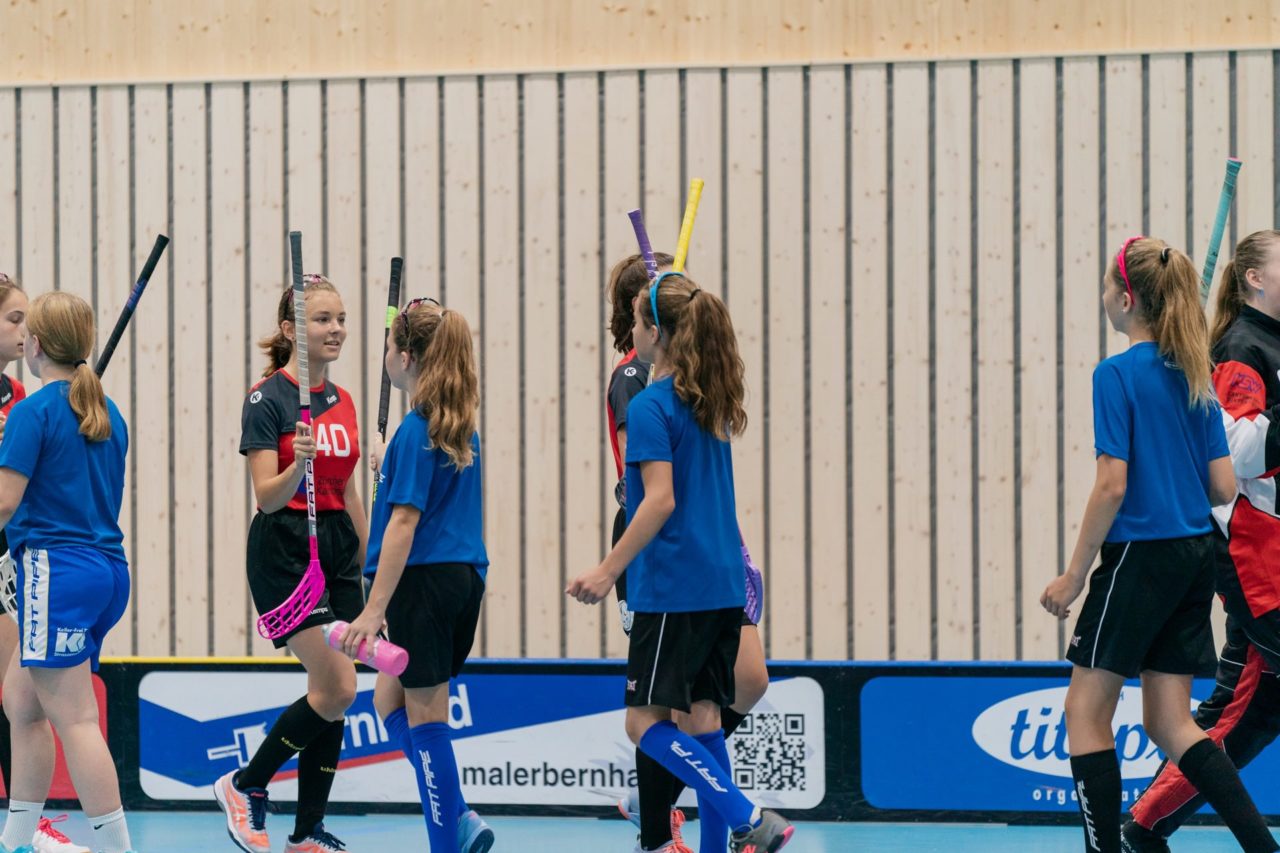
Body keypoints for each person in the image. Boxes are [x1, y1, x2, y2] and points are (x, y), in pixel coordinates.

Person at [1040, 237, 1277, 853]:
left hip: (1138, 557)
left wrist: (1071, 576)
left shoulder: (1115, 374)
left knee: (1085, 713)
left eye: (1103, 290)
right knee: (1170, 723)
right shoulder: (1195, 374)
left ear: (1125, 299)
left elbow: (1112, 484)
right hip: (1196, 557)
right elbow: (1223, 484)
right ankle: (1261, 846)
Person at [568, 271, 793, 853]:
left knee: (643, 724)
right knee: (704, 722)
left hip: (674, 589)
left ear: (654, 334)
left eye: (640, 325)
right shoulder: (709, 402)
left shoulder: (650, 407)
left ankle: (745, 812)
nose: (633, 336)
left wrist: (607, 570)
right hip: (724, 588)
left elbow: (659, 500)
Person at [1123, 230, 1280, 851]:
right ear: (1255, 280)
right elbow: (1239, 454)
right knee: (1241, 712)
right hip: (1254, 557)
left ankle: (1143, 826)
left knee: (1249, 716)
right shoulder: (1242, 347)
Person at [215, 275, 366, 853]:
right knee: (337, 683)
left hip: (338, 548)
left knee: (335, 691)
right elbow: (266, 495)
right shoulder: (267, 399)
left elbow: (349, 489)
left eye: (341, 318)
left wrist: (370, 553)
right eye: (324, 319)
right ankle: (245, 784)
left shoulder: (344, 401)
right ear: (290, 330)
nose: (337, 330)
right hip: (284, 545)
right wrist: (294, 462)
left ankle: (307, 832)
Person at [342, 298, 493, 853]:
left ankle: (446, 840)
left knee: (427, 721)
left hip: (421, 585)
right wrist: (389, 470)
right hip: (462, 579)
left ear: (404, 357)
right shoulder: (456, 425)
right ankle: (459, 813)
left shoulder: (414, 429)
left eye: (387, 347)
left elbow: (403, 524)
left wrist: (374, 609)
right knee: (389, 702)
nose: (384, 355)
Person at [0, 292, 136, 853]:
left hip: (56, 573)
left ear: (33, 346)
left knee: (77, 719)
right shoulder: (107, 412)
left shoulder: (33, 411)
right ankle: (17, 838)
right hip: (106, 572)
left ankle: (116, 848)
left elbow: (5, 504)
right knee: (21, 701)